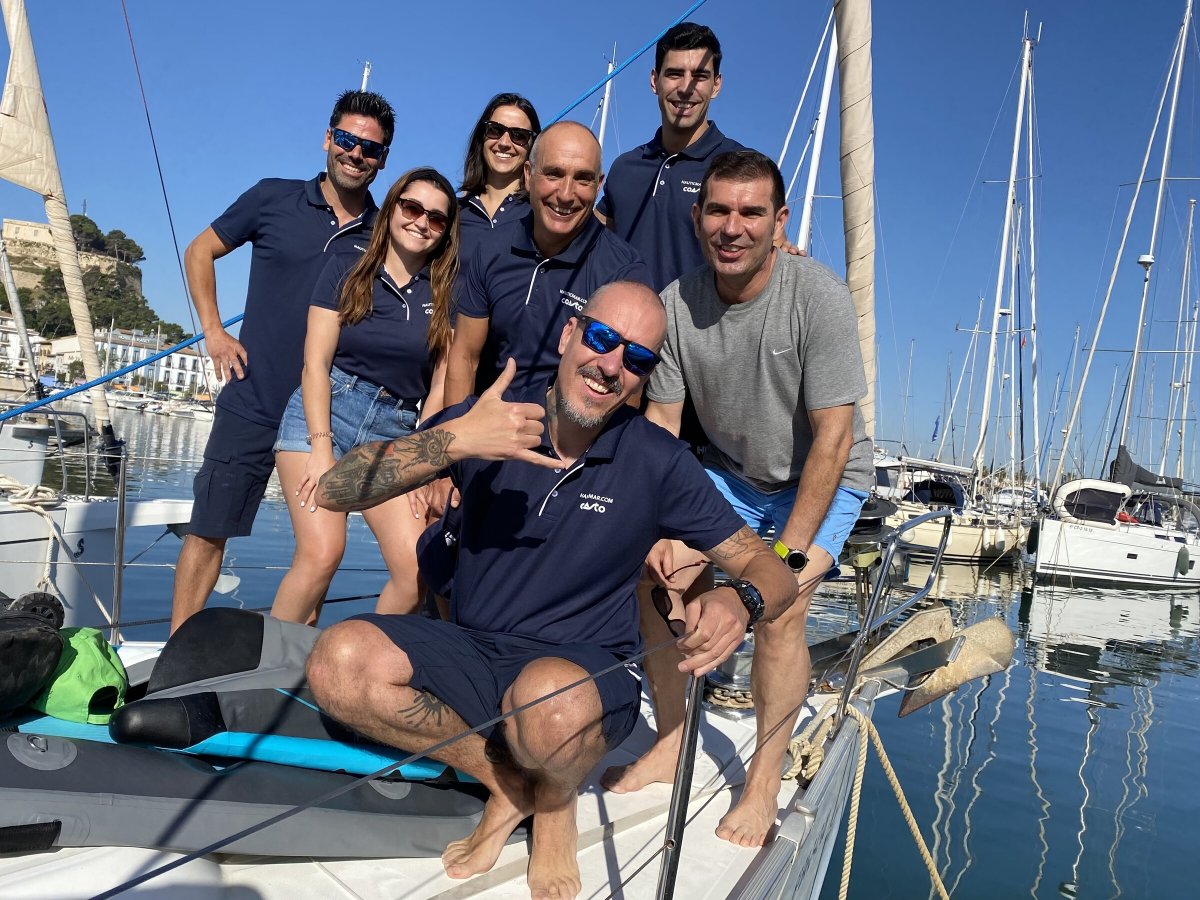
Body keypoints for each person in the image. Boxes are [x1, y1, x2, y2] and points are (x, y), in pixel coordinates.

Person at [306, 281, 798, 899]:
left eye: (637, 359)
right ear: (569, 335)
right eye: (601, 339)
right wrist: (454, 441)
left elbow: (771, 565)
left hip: (584, 672)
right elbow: (337, 489)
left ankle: (558, 799)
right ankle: (516, 785)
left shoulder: (657, 461)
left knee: (546, 701)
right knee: (337, 661)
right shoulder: (490, 416)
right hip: (475, 648)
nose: (612, 366)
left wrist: (740, 598)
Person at [603, 150, 874, 850]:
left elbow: (835, 440)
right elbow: (662, 428)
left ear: (778, 222)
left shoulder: (818, 297)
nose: (733, 227)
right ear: (698, 218)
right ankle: (672, 737)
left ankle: (760, 783)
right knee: (656, 578)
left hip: (823, 477)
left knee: (779, 610)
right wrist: (658, 528)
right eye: (719, 211)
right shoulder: (674, 305)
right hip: (727, 475)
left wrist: (780, 559)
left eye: (751, 212)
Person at [169, 90, 395, 634]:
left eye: (370, 147)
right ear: (327, 139)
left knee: (316, 554)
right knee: (209, 529)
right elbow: (200, 251)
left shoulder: (387, 233)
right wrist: (215, 332)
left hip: (325, 421)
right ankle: (178, 655)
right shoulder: (273, 198)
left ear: (383, 159)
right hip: (254, 394)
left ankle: (284, 671)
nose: (355, 153)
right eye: (346, 139)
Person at [270, 168, 459, 624]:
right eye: (412, 208)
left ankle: (350, 669)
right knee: (321, 554)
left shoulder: (446, 295)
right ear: (393, 208)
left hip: (394, 431)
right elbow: (315, 364)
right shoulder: (347, 266)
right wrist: (321, 449)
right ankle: (262, 678)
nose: (421, 223)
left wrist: (423, 463)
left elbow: (439, 389)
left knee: (416, 569)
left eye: (436, 218)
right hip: (326, 414)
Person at [443, 121, 653, 407]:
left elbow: (626, 389)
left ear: (599, 185)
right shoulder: (493, 247)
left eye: (583, 179)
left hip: (567, 439)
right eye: (554, 174)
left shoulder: (624, 273)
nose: (566, 194)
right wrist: (458, 438)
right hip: (487, 423)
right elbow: (465, 356)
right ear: (528, 175)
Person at [594, 22, 743, 292]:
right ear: (655, 81)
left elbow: (767, 249)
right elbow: (587, 235)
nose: (686, 88)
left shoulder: (743, 167)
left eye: (699, 76)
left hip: (701, 333)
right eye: (674, 74)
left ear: (716, 85)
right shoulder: (625, 167)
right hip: (623, 331)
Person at [457, 93, 542, 257]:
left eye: (519, 135)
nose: (504, 143)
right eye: (495, 130)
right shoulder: (452, 213)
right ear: (481, 137)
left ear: (533, 146)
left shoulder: (541, 215)